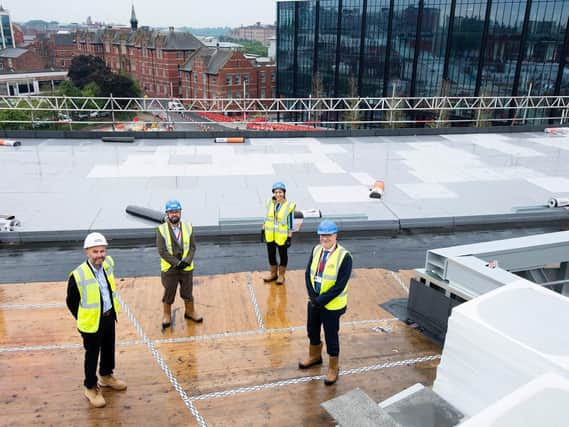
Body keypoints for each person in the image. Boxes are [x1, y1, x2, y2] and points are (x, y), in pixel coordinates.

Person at [66, 232, 127, 408]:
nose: (100, 255)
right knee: (92, 355)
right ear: (87, 252)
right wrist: (83, 317)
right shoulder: (78, 275)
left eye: (102, 251)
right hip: (91, 323)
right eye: (95, 252)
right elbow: (71, 301)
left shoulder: (108, 264)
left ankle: (106, 375)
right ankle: (90, 387)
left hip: (109, 316)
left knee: (109, 349)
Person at [298, 220, 352, 386]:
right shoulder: (316, 250)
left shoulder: (345, 257)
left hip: (332, 306)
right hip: (314, 302)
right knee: (311, 330)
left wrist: (320, 300)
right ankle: (315, 356)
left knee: (331, 336)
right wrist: (312, 296)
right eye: (322, 235)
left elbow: (339, 286)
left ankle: (333, 368)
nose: (324, 238)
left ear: (335, 235)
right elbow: (308, 274)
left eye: (328, 235)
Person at [156, 199, 202, 328]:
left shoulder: (188, 227)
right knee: (169, 292)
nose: (174, 214)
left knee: (187, 292)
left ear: (180, 212)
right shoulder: (161, 230)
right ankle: (166, 315)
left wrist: (186, 261)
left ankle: (190, 311)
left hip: (186, 268)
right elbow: (162, 251)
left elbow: (192, 247)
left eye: (176, 211)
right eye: (171, 212)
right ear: (167, 214)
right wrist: (177, 263)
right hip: (170, 268)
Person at [262, 181, 296, 285]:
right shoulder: (270, 203)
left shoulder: (288, 205)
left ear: (284, 193)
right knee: (271, 255)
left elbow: (290, 222)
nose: (278, 194)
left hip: (282, 236)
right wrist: (263, 228)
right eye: (276, 192)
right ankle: (273, 274)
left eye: (280, 192)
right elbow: (268, 217)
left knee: (283, 255)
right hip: (270, 234)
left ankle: (281, 275)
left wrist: (289, 236)